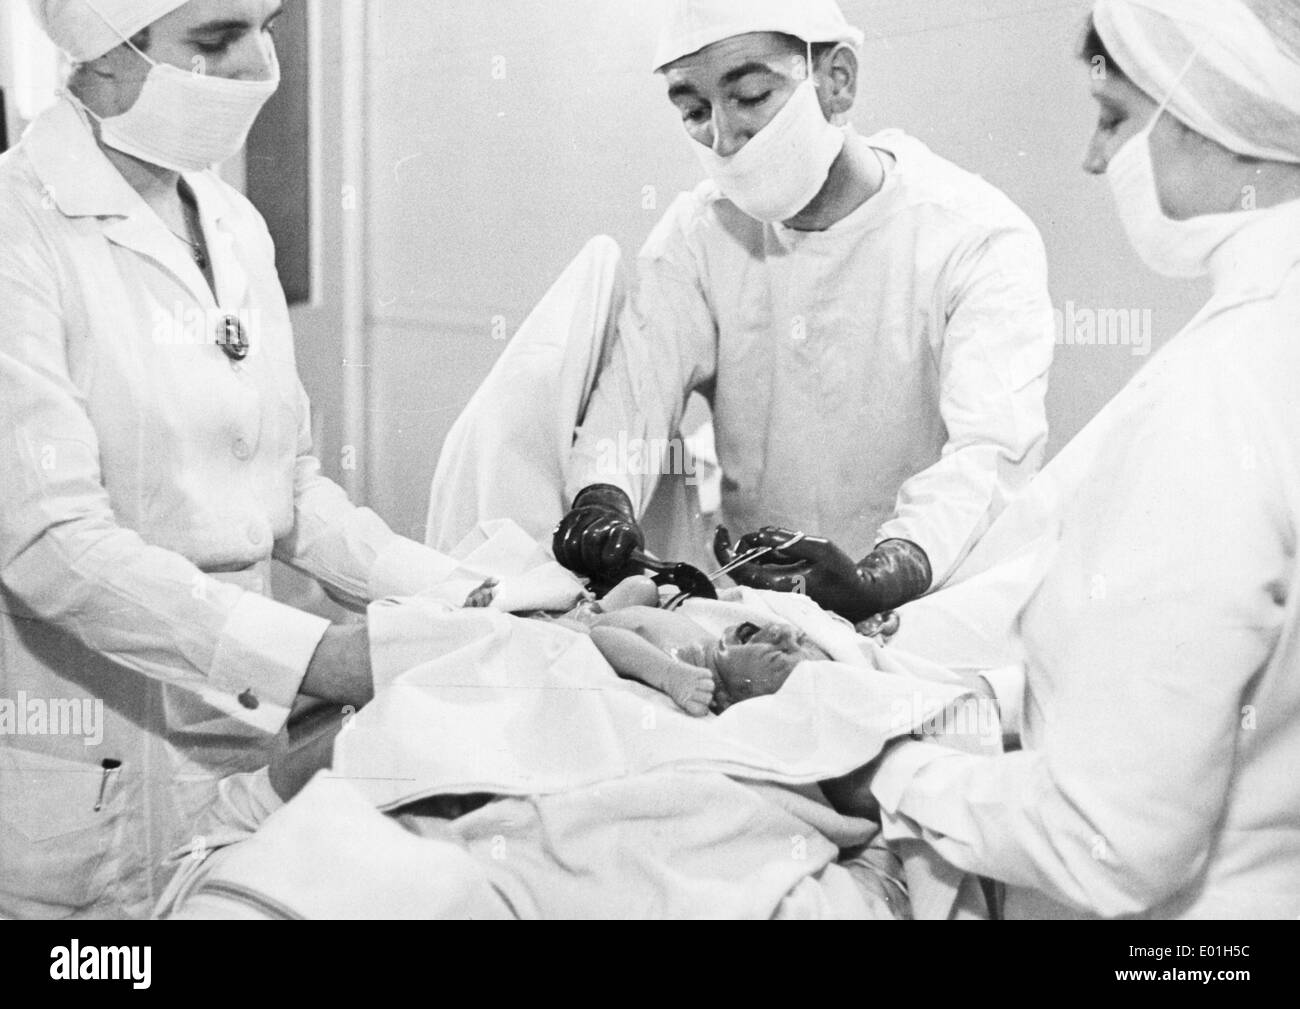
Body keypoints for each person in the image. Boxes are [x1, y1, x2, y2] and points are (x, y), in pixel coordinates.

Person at [825, 0, 1300, 919]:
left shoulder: (1215, 397)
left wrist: (883, 768)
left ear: (1215, 112)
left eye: (1115, 118)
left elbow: (1109, 842)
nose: (1092, 158)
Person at [0, 0, 470, 918]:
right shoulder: (19, 234)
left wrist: (458, 592)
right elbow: (51, 543)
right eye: (216, 40)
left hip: (230, 752)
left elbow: (288, 488)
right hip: (92, 783)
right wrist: (317, 659)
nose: (260, 66)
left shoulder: (232, 223)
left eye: (266, 25)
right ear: (100, 51)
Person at [552, 0, 1057, 625]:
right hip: (757, 610)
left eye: (752, 96)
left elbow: (991, 454)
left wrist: (884, 572)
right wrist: (602, 497)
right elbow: (631, 405)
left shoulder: (972, 237)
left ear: (836, 80)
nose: (724, 138)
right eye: (694, 111)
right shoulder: (699, 236)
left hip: (930, 609)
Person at [469, 574, 834, 715]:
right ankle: (567, 602)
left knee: (547, 631)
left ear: (729, 698)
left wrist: (668, 675)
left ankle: (494, 610)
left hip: (583, 630)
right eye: (795, 637)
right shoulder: (708, 640)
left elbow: (605, 638)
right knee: (641, 586)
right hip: (602, 609)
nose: (784, 634)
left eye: (777, 654)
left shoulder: (687, 666)